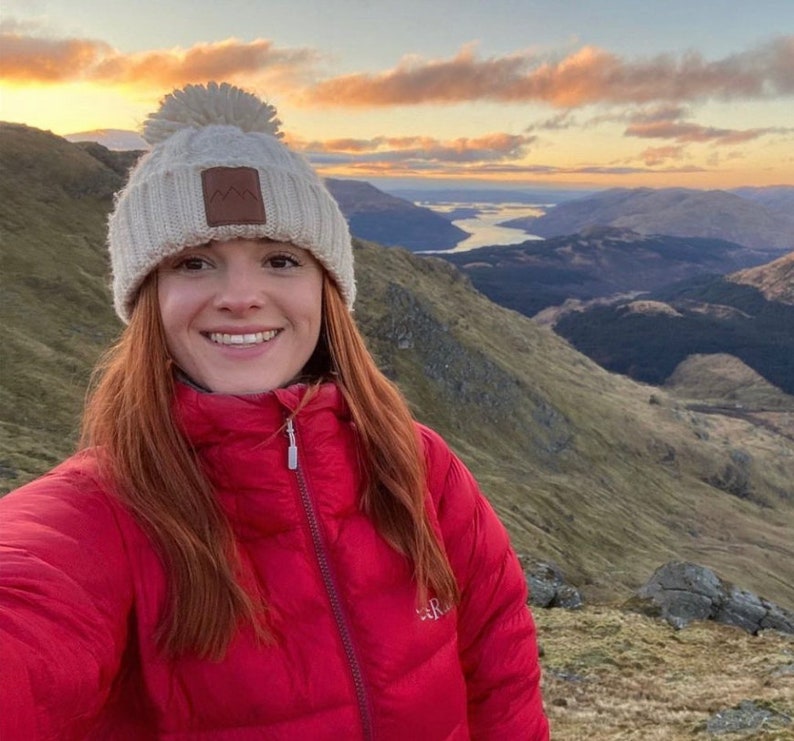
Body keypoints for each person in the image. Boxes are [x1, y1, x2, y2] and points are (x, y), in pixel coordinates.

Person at [0, 82, 549, 740]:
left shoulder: (419, 463)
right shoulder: (100, 512)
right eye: (195, 262)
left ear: (326, 288)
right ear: (149, 299)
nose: (241, 296)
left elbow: (500, 673)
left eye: (280, 259)